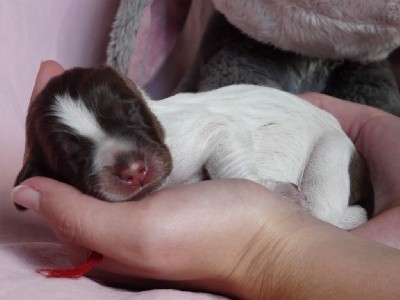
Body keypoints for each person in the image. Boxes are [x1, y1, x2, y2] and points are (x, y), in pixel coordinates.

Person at [11, 61, 400, 298]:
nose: (129, 167)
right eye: (75, 154)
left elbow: (220, 132)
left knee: (322, 211)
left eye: (127, 118)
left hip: (326, 148)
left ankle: (344, 218)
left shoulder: (181, 133)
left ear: (141, 100)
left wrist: (256, 199)